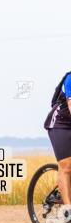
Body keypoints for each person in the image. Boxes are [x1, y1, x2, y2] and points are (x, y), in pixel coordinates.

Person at [44, 70, 71, 208]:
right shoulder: (70, 78)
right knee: (66, 165)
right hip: (59, 124)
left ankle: (63, 189)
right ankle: (69, 212)